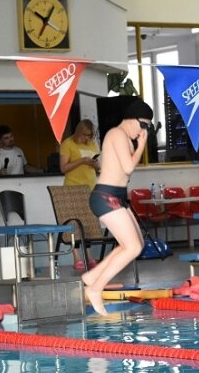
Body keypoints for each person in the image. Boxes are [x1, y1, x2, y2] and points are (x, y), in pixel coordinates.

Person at [81, 99, 153, 316]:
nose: (143, 131)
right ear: (132, 119)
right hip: (105, 196)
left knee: (135, 243)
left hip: (116, 196)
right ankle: (95, 288)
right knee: (132, 247)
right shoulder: (117, 134)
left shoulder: (124, 137)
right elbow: (129, 166)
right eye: (143, 125)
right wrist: (141, 146)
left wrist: (137, 145)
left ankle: (91, 278)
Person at [60, 119, 100, 271]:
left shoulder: (92, 145)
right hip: (72, 187)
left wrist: (94, 164)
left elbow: (98, 168)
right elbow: (64, 167)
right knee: (73, 224)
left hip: (89, 187)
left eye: (90, 136)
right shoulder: (68, 144)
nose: (87, 139)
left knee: (88, 222)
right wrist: (81, 161)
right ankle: (76, 257)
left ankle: (89, 256)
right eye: (84, 135)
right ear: (78, 132)